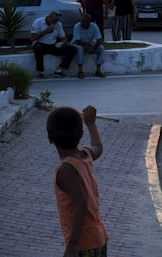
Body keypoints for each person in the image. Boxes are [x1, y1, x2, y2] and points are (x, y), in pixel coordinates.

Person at [47, 105, 109, 257]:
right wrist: (91, 124)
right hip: (98, 237)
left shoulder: (67, 169)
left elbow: (81, 204)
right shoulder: (85, 155)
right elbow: (98, 147)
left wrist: (72, 245)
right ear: (81, 134)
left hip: (83, 244)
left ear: (50, 139)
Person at [31, 11, 76, 78]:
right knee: (37, 48)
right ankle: (40, 71)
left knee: (72, 49)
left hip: (53, 45)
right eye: (53, 21)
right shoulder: (38, 22)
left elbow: (63, 37)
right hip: (41, 44)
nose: (55, 22)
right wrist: (46, 31)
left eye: (57, 21)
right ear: (49, 17)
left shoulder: (58, 24)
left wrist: (64, 42)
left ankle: (59, 70)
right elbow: (32, 38)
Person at [71, 13, 106, 78]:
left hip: (89, 44)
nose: (83, 24)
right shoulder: (77, 26)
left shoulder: (94, 26)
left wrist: (93, 47)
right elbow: (77, 41)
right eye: (82, 22)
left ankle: (98, 70)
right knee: (80, 49)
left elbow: (99, 40)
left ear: (89, 22)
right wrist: (88, 44)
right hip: (78, 44)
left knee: (101, 49)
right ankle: (80, 71)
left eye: (85, 22)